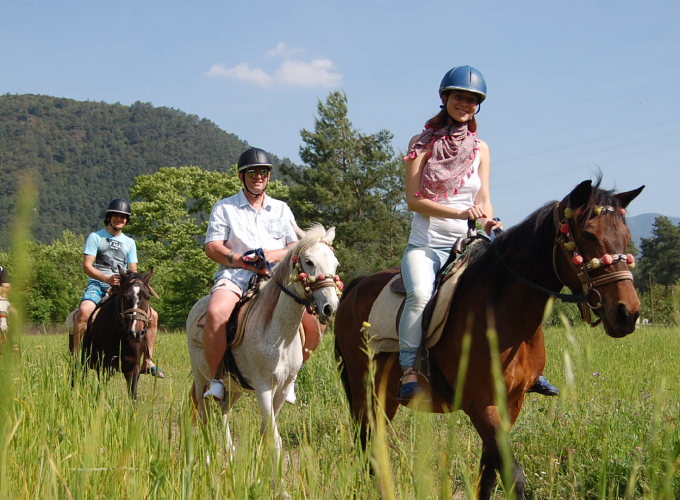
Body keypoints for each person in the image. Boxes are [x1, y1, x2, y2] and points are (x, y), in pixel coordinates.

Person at [398, 65, 558, 401]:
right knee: (420, 296)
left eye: (472, 100)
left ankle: (530, 368)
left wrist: (488, 221)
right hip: (427, 246)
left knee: (510, 291)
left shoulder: (480, 148)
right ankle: (409, 368)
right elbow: (414, 201)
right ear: (445, 98)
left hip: (467, 245)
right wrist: (459, 212)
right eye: (460, 97)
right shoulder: (420, 144)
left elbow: (482, 199)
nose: (465, 104)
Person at [201, 147, 324, 403]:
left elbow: (296, 246)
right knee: (215, 313)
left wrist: (271, 254)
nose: (258, 176)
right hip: (236, 275)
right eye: (253, 172)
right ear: (242, 176)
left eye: (263, 172)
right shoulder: (225, 207)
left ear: (268, 176)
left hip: (277, 279)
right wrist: (241, 259)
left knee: (316, 325)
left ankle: (291, 377)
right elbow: (212, 247)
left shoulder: (281, 209)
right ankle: (216, 379)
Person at [74, 198, 164, 378]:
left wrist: (133, 282)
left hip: (123, 288)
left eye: (123, 217)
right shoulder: (96, 237)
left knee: (152, 316)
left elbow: (133, 270)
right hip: (98, 285)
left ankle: (148, 360)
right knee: (84, 312)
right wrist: (106, 278)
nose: (119, 220)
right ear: (109, 217)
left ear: (126, 221)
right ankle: (77, 358)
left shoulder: (130, 242)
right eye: (116, 216)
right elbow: (87, 266)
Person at [0, 265, 20, 351]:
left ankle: (12, 339)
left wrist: (3, 290)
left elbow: (6, 285)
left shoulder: (1, 269)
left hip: (0, 298)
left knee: (13, 312)